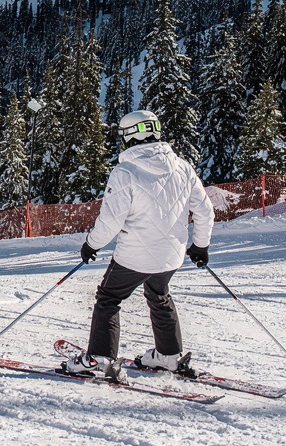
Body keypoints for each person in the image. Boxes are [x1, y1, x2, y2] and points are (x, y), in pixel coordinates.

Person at [61, 109, 213, 382]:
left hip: (134, 256)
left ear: (131, 136)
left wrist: (90, 245)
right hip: (171, 256)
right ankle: (168, 356)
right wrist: (200, 246)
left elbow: (110, 221)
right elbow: (205, 211)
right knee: (159, 293)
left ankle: (100, 358)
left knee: (108, 298)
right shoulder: (182, 166)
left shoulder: (125, 171)